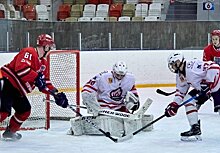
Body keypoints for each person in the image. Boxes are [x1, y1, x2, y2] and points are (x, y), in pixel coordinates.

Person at [0, 34, 69, 141]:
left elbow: (45, 82)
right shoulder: (29, 52)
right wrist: (36, 78)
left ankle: (10, 132)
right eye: (49, 48)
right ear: (46, 47)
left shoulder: (43, 64)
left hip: (18, 89)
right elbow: (21, 69)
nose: (50, 51)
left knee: (24, 111)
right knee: (3, 112)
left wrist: (55, 94)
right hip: (7, 81)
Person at [68, 61, 153, 137]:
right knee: (111, 123)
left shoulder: (130, 79)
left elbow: (133, 91)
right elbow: (87, 89)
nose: (119, 77)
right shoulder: (103, 76)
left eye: (122, 75)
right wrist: (90, 102)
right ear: (113, 71)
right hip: (104, 107)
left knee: (130, 120)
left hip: (120, 107)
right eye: (117, 75)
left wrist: (135, 102)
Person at [164, 52, 220, 141]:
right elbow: (180, 92)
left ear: (178, 62)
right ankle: (195, 128)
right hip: (203, 90)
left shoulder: (192, 66)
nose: (172, 67)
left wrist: (208, 83)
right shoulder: (180, 75)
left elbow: (215, 67)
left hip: (217, 86)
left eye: (172, 64)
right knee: (188, 101)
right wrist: (174, 104)